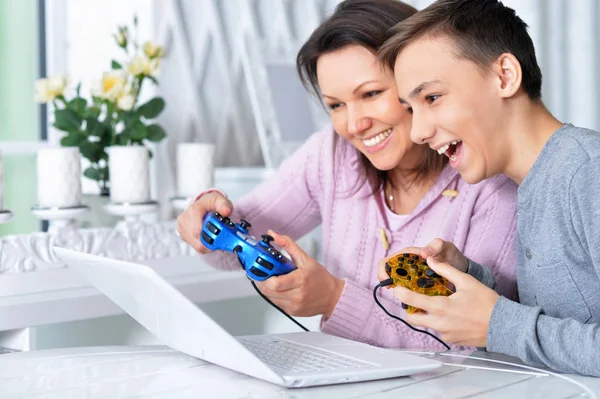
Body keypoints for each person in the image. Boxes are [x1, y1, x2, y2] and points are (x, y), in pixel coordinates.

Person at [177, 0, 518, 351]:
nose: (354, 125)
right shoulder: (332, 155)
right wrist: (207, 220)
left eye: (370, 94)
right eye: (336, 105)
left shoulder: (492, 182)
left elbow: (473, 348)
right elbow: (229, 250)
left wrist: (334, 299)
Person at [378, 0, 600, 375]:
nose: (417, 132)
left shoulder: (586, 172)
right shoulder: (528, 183)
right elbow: (563, 322)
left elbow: (519, 331)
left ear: (505, 76)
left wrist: (497, 325)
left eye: (432, 97)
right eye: (412, 109)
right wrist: (469, 279)